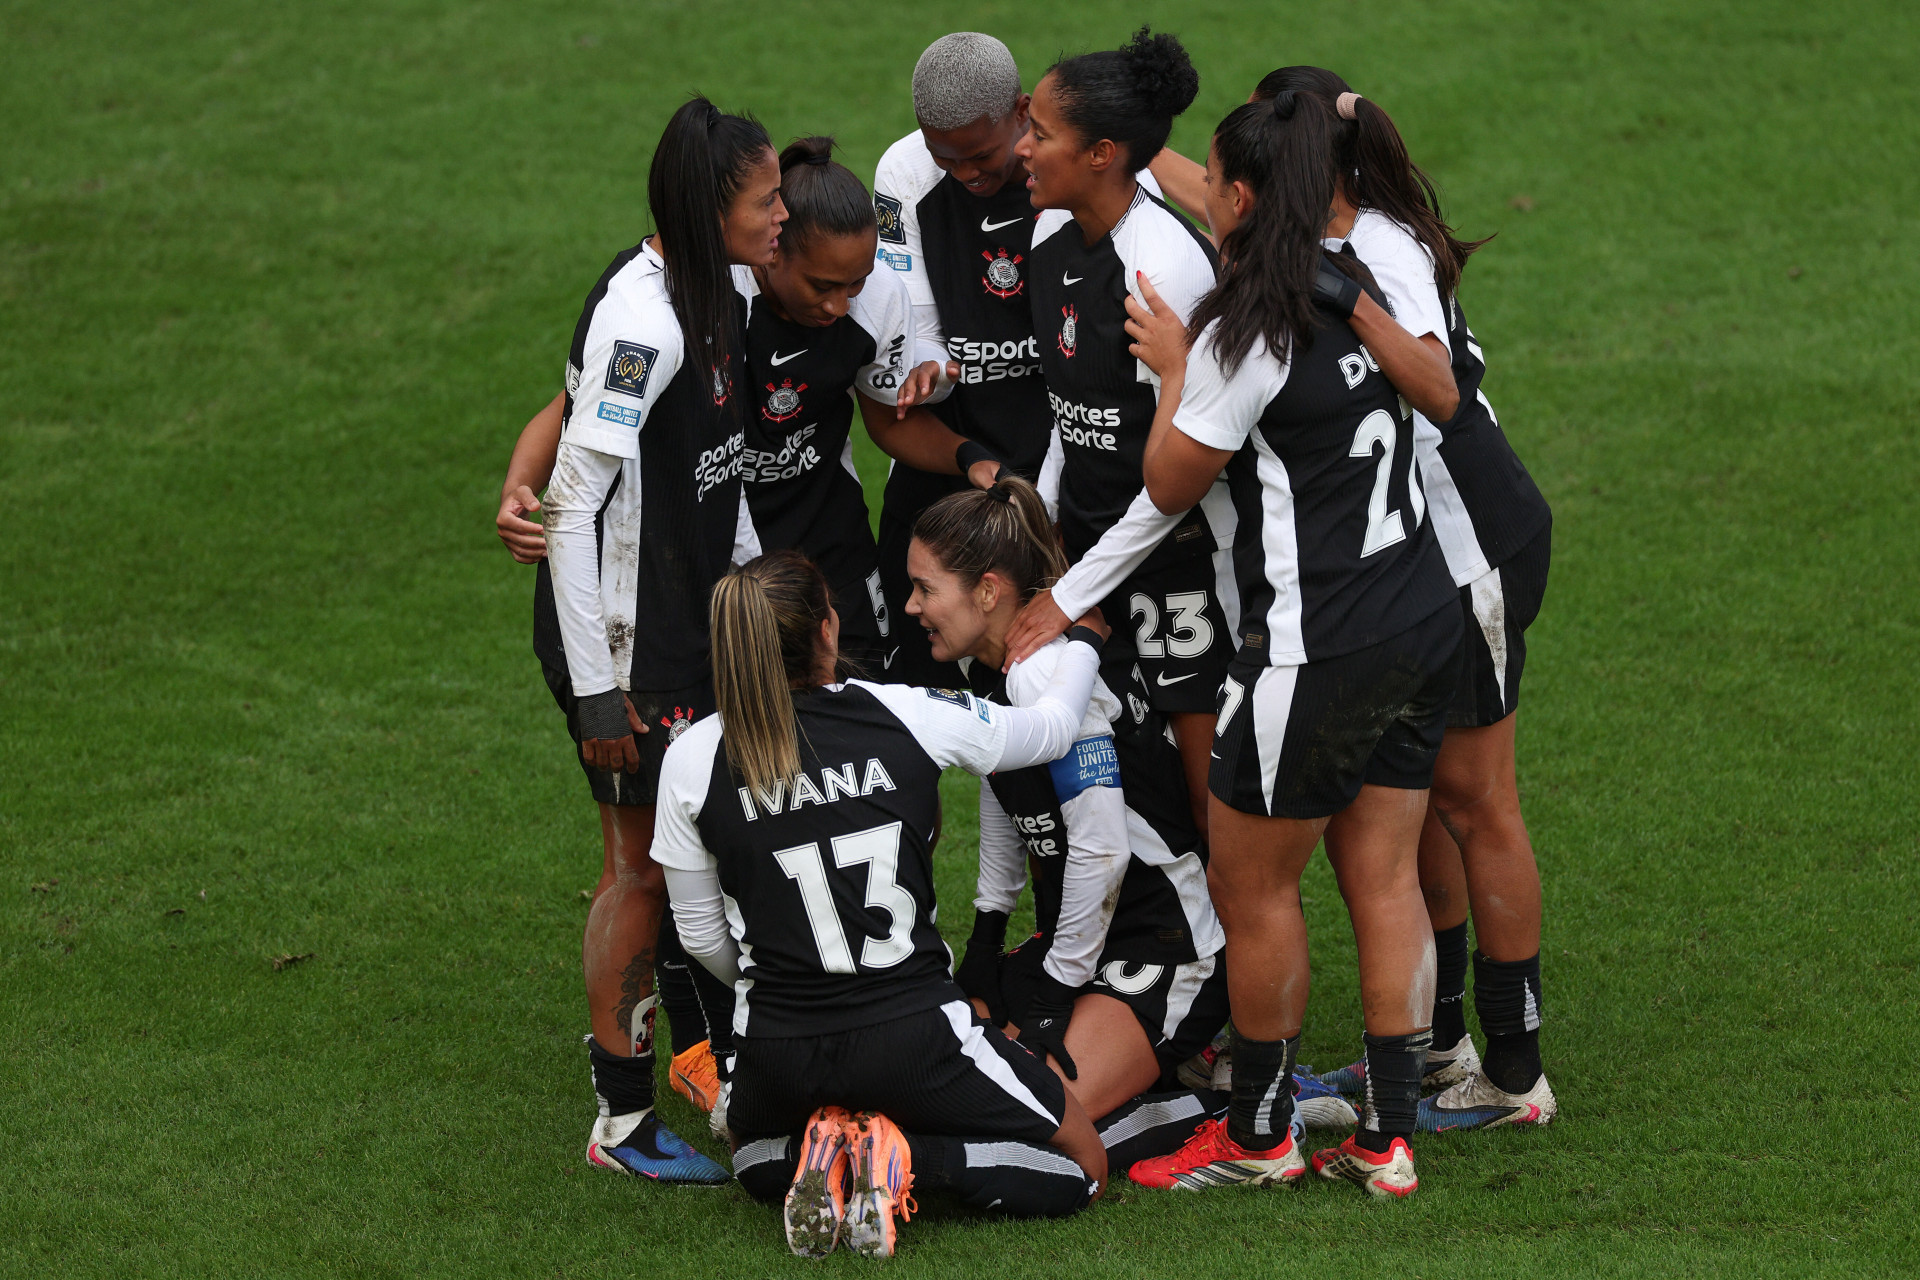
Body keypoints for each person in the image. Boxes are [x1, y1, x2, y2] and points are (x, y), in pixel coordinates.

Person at [1121, 91, 1462, 1197]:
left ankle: (1261, 1133)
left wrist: (1174, 366)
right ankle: (1391, 1134)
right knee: (1386, 875)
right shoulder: (1356, 280)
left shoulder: (1241, 327)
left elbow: (1171, 481)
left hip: (1312, 650)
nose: (1202, 189)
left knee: (1252, 885)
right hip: (1417, 613)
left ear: (1249, 196)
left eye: (1215, 178)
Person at [1247, 71, 1558, 1132]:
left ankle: (1515, 1075)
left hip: (1472, 547)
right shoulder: (1337, 225)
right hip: (1427, 560)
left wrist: (1356, 305)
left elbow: (1436, 384)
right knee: (1417, 796)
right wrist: (1132, 144)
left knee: (1476, 801)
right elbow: (1223, 193)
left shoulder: (1374, 249)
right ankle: (1439, 1042)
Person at [650, 550, 1112, 1257]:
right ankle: (907, 1158)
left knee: (750, 1157)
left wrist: (773, 986)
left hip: (778, 1047)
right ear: (829, 630)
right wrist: (1081, 637)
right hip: (916, 1033)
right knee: (1085, 1166)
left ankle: (825, 1147)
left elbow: (699, 934)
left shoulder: (690, 758)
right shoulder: (905, 711)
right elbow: (1049, 729)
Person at [525, 95, 784, 1183]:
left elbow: (717, 473)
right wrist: (597, 688)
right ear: (708, 205)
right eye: (765, 201)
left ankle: (711, 1062)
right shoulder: (646, 322)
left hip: (694, 621)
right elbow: (573, 506)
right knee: (636, 867)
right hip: (625, 644)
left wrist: (762, 607)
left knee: (709, 845)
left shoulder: (720, 286)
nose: (781, 217)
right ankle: (622, 1124)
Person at [905, 476, 1238, 1173]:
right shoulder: (991, 666)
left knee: (1026, 1115)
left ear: (989, 592)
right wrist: (990, 933)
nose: (912, 607)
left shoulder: (1047, 675)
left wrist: (1057, 986)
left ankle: (1223, 1105)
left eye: (925, 589)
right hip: (1081, 942)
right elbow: (1005, 787)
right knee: (949, 1071)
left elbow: (1103, 851)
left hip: (1167, 947)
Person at [869, 33, 1174, 685]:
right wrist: (933, 367)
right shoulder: (902, 174)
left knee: (1050, 692)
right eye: (945, 159)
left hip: (1062, 481)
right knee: (917, 701)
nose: (967, 176)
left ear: (1020, 112)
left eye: (981, 157)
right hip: (956, 471)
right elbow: (917, 320)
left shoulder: (1097, 181)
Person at [995, 28, 1231, 839]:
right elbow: (1073, 412)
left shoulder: (1162, 270)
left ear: (1101, 152)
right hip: (1090, 557)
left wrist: (1071, 591)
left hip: (1182, 561)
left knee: (1205, 801)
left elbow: (1177, 477)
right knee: (1119, 780)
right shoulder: (1047, 234)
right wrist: (1047, 543)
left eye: (1041, 134)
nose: (1021, 148)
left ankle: (1226, 962)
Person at [737, 136, 1000, 672]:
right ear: (773, 248)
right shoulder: (711, 302)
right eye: (822, 285)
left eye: (854, 282)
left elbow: (887, 421)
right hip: (726, 536)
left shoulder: (877, 300)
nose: (839, 304)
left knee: (860, 703)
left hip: (828, 533)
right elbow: (583, 406)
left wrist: (967, 455)